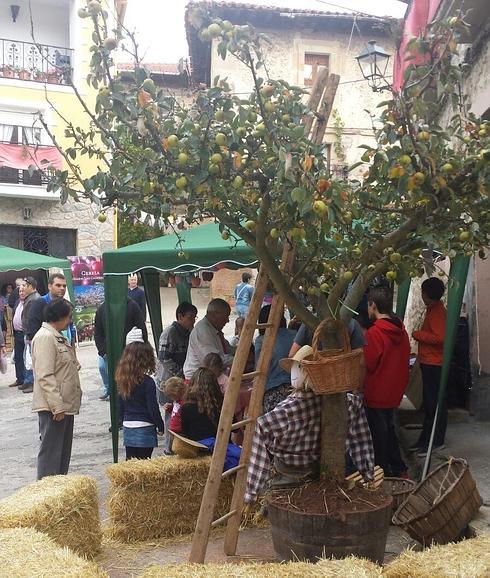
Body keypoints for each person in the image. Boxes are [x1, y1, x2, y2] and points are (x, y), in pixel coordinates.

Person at [244, 346, 374, 504]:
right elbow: (361, 441)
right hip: (326, 475)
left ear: (302, 371)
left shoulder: (286, 411)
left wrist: (252, 493)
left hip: (288, 480)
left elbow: (261, 427)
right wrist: (367, 472)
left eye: (295, 367)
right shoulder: (350, 403)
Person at [363, 285, 410, 478]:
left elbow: (370, 364)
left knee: (378, 438)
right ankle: (399, 469)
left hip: (376, 393)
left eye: (368, 306)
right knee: (389, 432)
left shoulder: (375, 333)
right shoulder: (401, 330)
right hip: (394, 391)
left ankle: (383, 476)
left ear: (373, 305)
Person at [31, 299, 81, 479]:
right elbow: (45, 376)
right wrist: (57, 406)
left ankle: (59, 493)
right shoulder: (45, 337)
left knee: (61, 455)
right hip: (54, 408)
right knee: (51, 455)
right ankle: (47, 495)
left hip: (64, 405)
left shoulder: (57, 336)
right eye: (68, 316)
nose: (70, 320)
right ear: (59, 317)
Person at [411, 277, 447, 457]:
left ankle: (435, 441)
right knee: (430, 404)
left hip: (435, 363)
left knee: (434, 404)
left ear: (426, 294)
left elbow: (440, 338)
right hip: (430, 361)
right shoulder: (433, 310)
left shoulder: (437, 312)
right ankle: (426, 439)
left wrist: (418, 335)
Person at [116, 328, 164, 460]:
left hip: (128, 425)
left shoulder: (122, 379)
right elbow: (152, 408)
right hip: (145, 426)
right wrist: (160, 425)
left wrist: (121, 420)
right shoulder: (148, 382)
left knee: (130, 462)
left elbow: (119, 405)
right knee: (144, 463)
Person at [180, 367, 241, 471]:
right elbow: (235, 428)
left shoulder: (186, 407)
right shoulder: (222, 405)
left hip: (197, 451)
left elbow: (185, 434)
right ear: (215, 385)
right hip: (222, 450)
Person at [156, 301, 197, 452]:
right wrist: (181, 373)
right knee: (171, 413)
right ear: (180, 316)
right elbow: (164, 358)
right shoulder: (169, 333)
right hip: (170, 382)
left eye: (194, 318)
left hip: (182, 380)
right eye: (190, 317)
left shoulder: (189, 333)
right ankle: (169, 448)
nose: (192, 321)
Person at [94, 299, 148, 400]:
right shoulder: (102, 308)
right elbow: (98, 332)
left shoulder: (132, 306)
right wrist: (102, 352)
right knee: (107, 373)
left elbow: (141, 329)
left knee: (130, 382)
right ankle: (110, 391)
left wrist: (138, 350)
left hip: (129, 352)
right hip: (108, 353)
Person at [255, 305, 296, 413]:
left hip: (273, 392)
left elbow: (259, 369)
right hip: (296, 390)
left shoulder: (261, 341)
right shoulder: (295, 336)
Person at [183, 299, 234, 380]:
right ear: (214, 315)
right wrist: (236, 360)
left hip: (209, 376)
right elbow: (213, 360)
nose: (227, 321)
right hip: (198, 380)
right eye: (225, 316)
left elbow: (228, 349)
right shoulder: (202, 331)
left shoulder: (214, 330)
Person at [26, 273, 75, 346]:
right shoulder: (40, 303)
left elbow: (70, 328)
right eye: (58, 285)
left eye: (64, 286)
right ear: (49, 286)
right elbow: (32, 329)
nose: (62, 288)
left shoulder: (67, 305)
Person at [289, 317, 365, 359]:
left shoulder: (308, 322)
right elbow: (359, 359)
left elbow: (292, 355)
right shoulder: (352, 323)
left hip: (315, 380)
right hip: (345, 378)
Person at [20, 277, 41, 394]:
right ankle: (29, 381)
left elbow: (31, 320)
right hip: (28, 334)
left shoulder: (34, 299)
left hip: (32, 335)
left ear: (31, 286)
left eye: (25, 285)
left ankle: (33, 383)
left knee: (32, 360)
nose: (22, 288)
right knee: (27, 359)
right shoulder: (30, 298)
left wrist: (29, 336)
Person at [9, 283, 26, 389]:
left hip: (24, 333)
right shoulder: (17, 302)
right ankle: (19, 379)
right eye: (20, 291)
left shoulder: (29, 302)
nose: (21, 293)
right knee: (18, 357)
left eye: (23, 291)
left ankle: (27, 380)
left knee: (26, 358)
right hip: (17, 334)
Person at [163, 376, 187, 442]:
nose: (171, 398)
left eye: (171, 396)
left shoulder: (183, 401)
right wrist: (170, 408)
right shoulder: (176, 401)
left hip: (180, 432)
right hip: (173, 431)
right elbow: (175, 412)